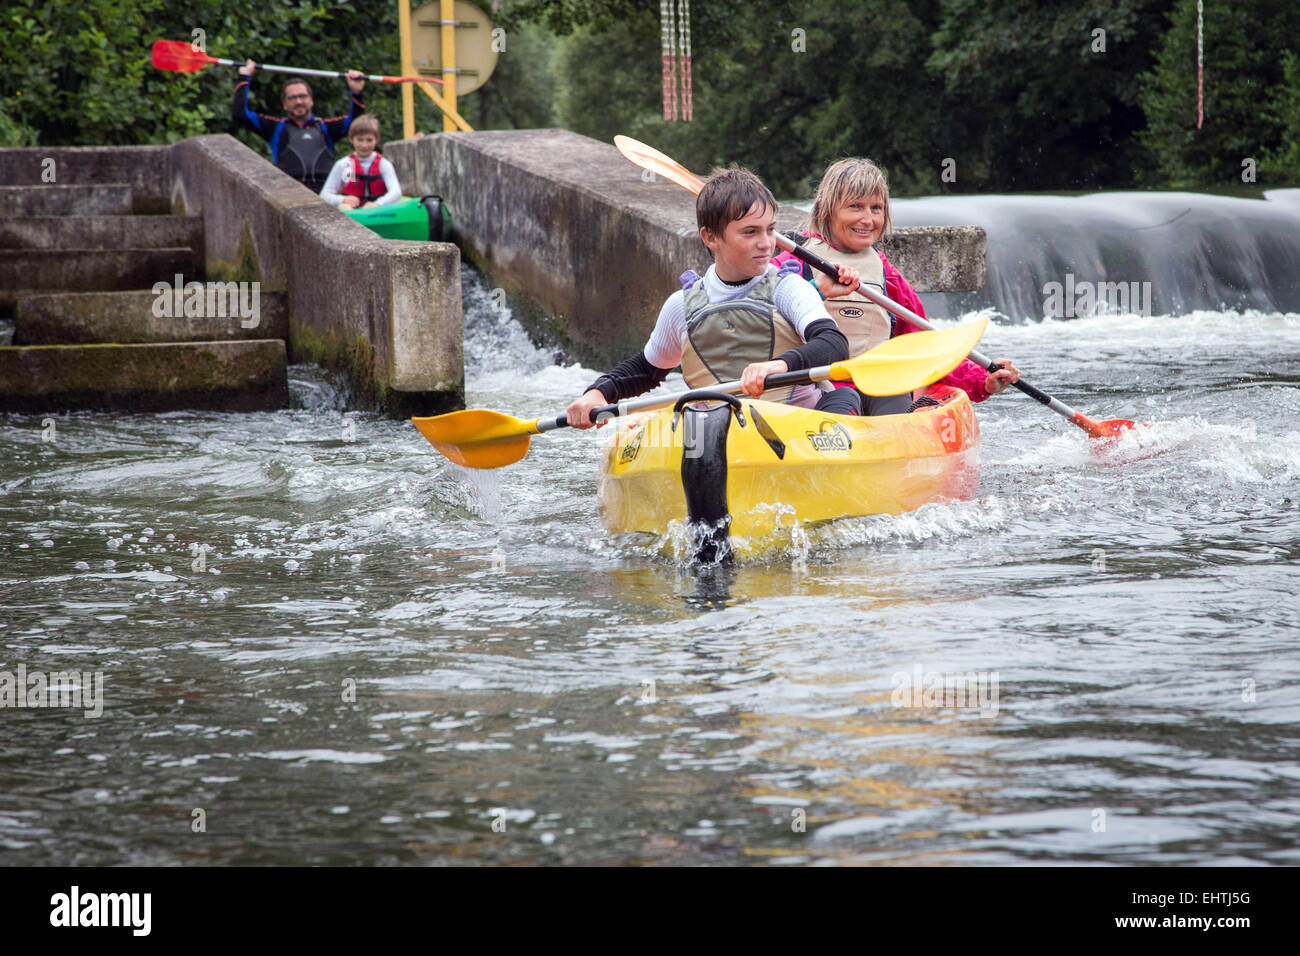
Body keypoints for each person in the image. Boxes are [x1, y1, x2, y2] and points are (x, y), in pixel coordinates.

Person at [566, 168, 861, 430]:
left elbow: (833, 343)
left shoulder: (789, 287)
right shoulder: (682, 306)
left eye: (770, 229)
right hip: (718, 433)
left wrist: (779, 366)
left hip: (797, 427)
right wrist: (599, 392)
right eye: (750, 232)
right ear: (710, 238)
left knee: (845, 397)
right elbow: (645, 369)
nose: (766, 243)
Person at [774, 157, 1021, 415]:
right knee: (845, 402)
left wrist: (982, 380)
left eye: (876, 208)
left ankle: (894, 440)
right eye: (855, 207)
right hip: (818, 389)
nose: (868, 219)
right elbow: (761, 322)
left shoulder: (886, 274)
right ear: (828, 210)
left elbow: (922, 342)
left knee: (894, 395)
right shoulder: (794, 261)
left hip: (879, 386)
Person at [232, 61, 366, 194]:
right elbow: (241, 114)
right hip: (289, 194)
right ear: (285, 104)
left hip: (324, 194)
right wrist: (244, 77)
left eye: (302, 96)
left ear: (311, 100)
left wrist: (356, 92)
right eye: (292, 98)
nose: (298, 102)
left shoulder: (326, 127)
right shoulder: (275, 127)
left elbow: (357, 122)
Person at [320, 115, 402, 210]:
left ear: (377, 140)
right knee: (343, 207)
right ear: (351, 139)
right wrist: (342, 199)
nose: (364, 145)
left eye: (369, 140)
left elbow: (396, 192)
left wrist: (377, 204)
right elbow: (324, 195)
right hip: (352, 212)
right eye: (360, 140)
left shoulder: (383, 164)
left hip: (378, 212)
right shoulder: (343, 165)